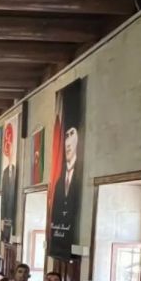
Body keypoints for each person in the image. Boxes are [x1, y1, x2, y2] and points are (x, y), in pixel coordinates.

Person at [50, 106, 83, 256]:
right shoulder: (58, 182)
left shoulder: (80, 174)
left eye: (72, 134)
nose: (68, 142)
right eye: (66, 136)